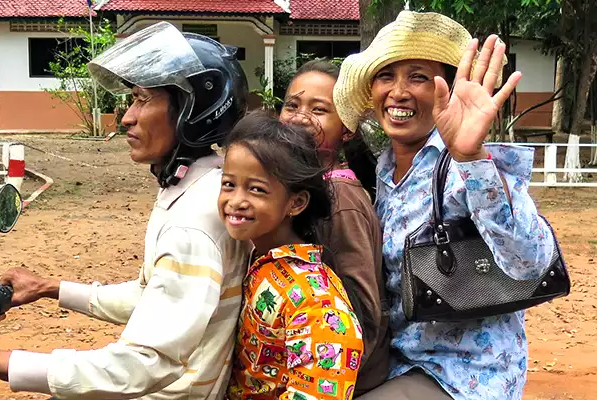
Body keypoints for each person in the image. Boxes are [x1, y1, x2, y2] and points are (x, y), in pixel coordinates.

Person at [0, 22, 253, 400]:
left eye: (143, 100)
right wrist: (50, 288)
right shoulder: (200, 187)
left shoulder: (193, 223)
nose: (127, 117)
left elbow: (144, 364)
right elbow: (155, 299)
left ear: (194, 111)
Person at [332, 11, 556, 400]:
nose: (398, 91)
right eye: (386, 76)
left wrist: (472, 158)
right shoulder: (380, 169)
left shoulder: (463, 165)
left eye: (418, 76)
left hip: (463, 373)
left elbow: (531, 263)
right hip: (393, 361)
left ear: (448, 90)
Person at [219, 112, 364, 400]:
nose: (235, 201)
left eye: (256, 189)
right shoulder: (252, 257)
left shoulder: (315, 301)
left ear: (296, 203)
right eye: (228, 184)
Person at [278, 59, 389, 395]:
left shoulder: (340, 197)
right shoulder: (299, 188)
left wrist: (331, 382)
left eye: (319, 109)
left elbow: (363, 309)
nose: (300, 117)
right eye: (292, 105)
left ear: (348, 128)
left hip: (339, 378)